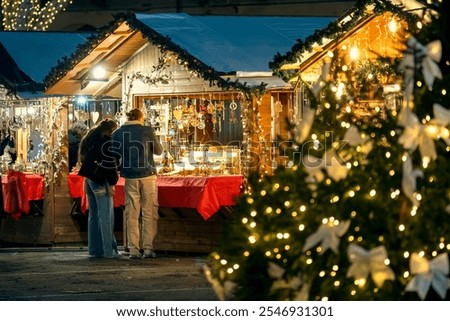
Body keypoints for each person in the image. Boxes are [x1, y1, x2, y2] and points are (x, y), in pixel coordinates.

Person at [111, 109, 163, 259]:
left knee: (132, 212)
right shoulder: (147, 130)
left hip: (129, 176)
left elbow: (113, 154)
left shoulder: (118, 133)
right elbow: (159, 151)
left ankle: (133, 249)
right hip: (148, 175)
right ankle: (147, 248)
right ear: (141, 117)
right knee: (149, 212)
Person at [78, 119, 119, 258]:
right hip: (101, 180)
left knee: (93, 215)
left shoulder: (89, 136)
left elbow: (83, 157)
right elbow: (110, 162)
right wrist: (112, 183)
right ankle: (108, 251)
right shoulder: (106, 140)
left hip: (88, 178)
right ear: (111, 130)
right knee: (106, 215)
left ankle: (95, 249)